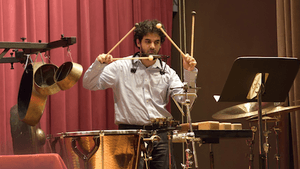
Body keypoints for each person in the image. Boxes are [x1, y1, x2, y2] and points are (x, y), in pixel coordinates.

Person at [83, 19, 198, 169]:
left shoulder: (167, 72)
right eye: (147, 41)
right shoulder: (121, 66)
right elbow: (89, 83)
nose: (152, 46)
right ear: (138, 42)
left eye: (156, 42)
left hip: (161, 135)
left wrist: (189, 73)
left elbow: (186, 100)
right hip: (130, 134)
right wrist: (99, 64)